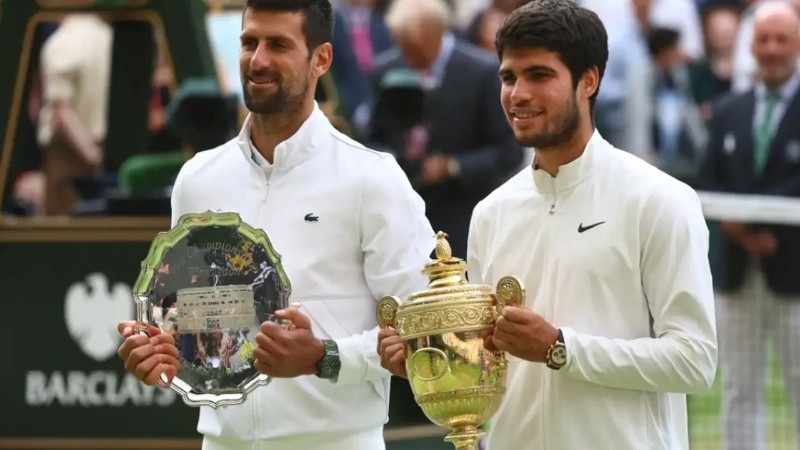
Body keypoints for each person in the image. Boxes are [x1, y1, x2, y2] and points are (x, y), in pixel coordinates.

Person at [378, 1, 718, 449]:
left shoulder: (660, 200)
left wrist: (561, 348)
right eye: (508, 77)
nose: (517, 93)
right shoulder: (493, 213)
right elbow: (488, 363)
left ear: (589, 81)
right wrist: (426, 359)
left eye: (539, 75)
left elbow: (694, 361)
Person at [116, 1, 435, 449]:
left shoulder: (372, 178)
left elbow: (423, 329)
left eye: (279, 45)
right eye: (250, 42)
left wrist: (325, 357)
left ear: (321, 58)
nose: (258, 59)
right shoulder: (197, 179)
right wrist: (158, 352)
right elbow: (193, 329)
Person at [697, 3, 800, 449]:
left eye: (783, 39)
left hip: (794, 273)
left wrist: (759, 223)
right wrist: (739, 231)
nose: (773, 49)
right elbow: (707, 180)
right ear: (752, 46)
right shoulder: (728, 110)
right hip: (736, 272)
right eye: (764, 39)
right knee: (739, 387)